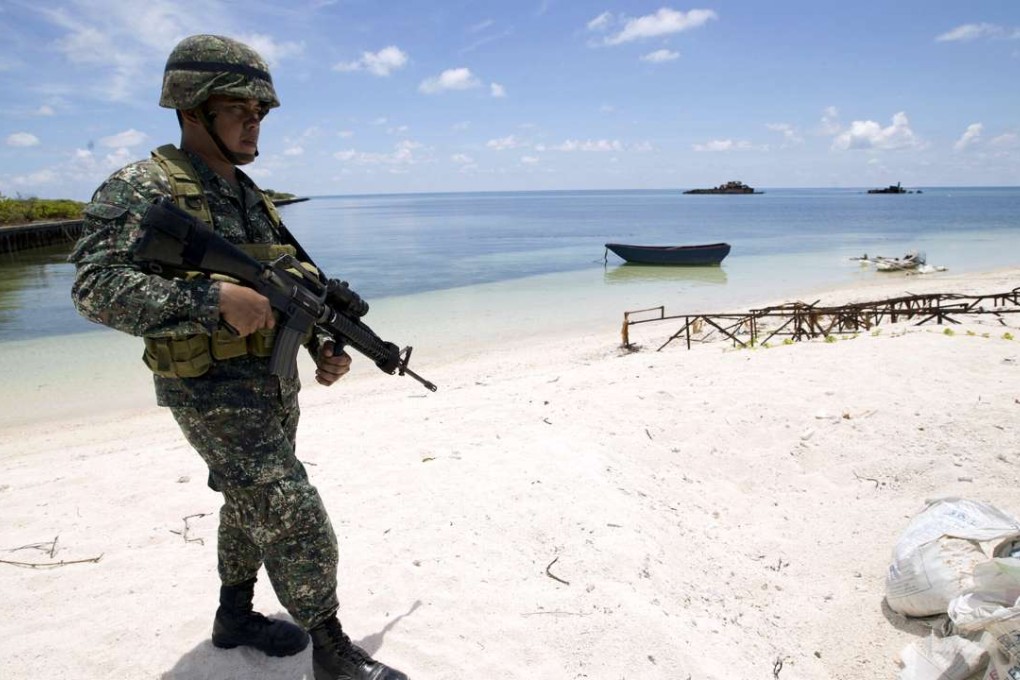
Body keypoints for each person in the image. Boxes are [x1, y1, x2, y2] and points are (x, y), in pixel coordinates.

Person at [70, 34, 409, 680]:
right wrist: (213, 300)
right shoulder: (142, 188)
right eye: (239, 110)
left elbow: (289, 290)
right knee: (291, 508)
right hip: (208, 387)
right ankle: (332, 650)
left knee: (245, 503)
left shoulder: (252, 197)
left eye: (260, 113)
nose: (255, 124)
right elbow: (94, 289)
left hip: (271, 387)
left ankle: (235, 616)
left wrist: (320, 344)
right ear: (192, 109)